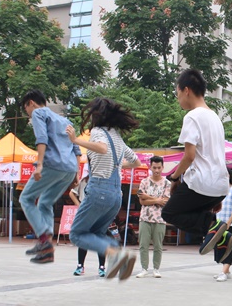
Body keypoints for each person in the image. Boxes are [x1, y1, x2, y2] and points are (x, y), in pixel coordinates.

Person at [66, 97, 141, 281]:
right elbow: (136, 161)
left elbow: (102, 148)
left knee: (76, 234)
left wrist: (75, 140)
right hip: (116, 195)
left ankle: (115, 254)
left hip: (99, 191)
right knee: (98, 233)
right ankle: (117, 254)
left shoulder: (98, 132)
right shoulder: (117, 136)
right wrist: (117, 166)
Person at [161, 69, 230, 259]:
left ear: (186, 90)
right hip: (220, 184)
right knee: (195, 212)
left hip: (202, 182)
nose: (178, 99)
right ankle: (222, 239)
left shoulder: (192, 117)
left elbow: (189, 156)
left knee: (169, 213)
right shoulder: (215, 117)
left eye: (177, 94)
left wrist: (174, 177)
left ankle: (215, 228)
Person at [19, 89, 81, 264]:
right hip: (69, 169)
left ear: (31, 103)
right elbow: (76, 147)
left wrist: (39, 165)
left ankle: (44, 241)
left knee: (26, 198)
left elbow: (42, 138)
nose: (28, 114)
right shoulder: (65, 120)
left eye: (26, 109)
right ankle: (46, 245)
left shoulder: (38, 113)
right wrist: (76, 172)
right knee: (45, 202)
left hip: (52, 165)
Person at [136, 156, 170, 278]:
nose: (156, 170)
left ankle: (156, 268)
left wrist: (148, 196)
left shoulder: (167, 183)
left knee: (158, 245)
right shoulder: (144, 182)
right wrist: (156, 199)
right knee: (143, 244)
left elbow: (165, 202)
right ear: (150, 167)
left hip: (160, 219)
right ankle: (144, 268)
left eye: (159, 168)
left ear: (162, 167)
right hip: (145, 217)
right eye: (154, 167)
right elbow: (142, 201)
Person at [69, 170, 106, 277]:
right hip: (85, 214)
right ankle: (80, 265)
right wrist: (79, 205)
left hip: (100, 214)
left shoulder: (105, 182)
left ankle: (101, 267)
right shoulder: (84, 181)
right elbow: (72, 193)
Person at [212, 171, 232, 282]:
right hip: (218, 224)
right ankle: (226, 270)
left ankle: (224, 272)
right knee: (219, 248)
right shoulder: (219, 191)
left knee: (228, 248)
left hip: (230, 224)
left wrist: (229, 222)